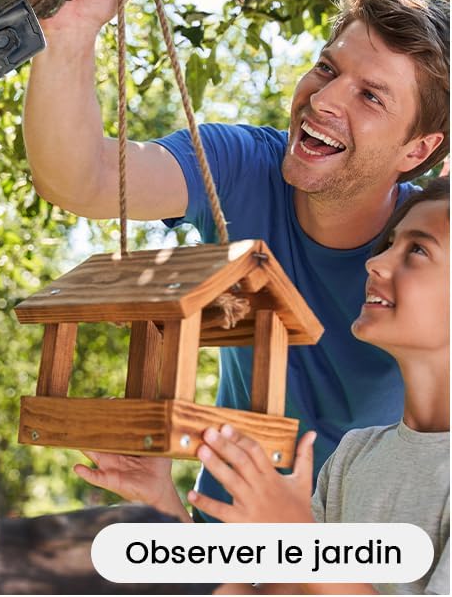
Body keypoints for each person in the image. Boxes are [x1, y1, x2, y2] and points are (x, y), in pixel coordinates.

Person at [23, 0, 448, 513]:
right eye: (326, 68)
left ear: (417, 150)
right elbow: (84, 179)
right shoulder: (241, 166)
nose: (323, 100)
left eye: (371, 96)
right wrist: (70, 32)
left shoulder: (431, 253)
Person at [84, 178, 450, 597]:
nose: (376, 263)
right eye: (389, 244)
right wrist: (159, 501)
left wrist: (300, 537)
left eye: (417, 250)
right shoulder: (354, 455)